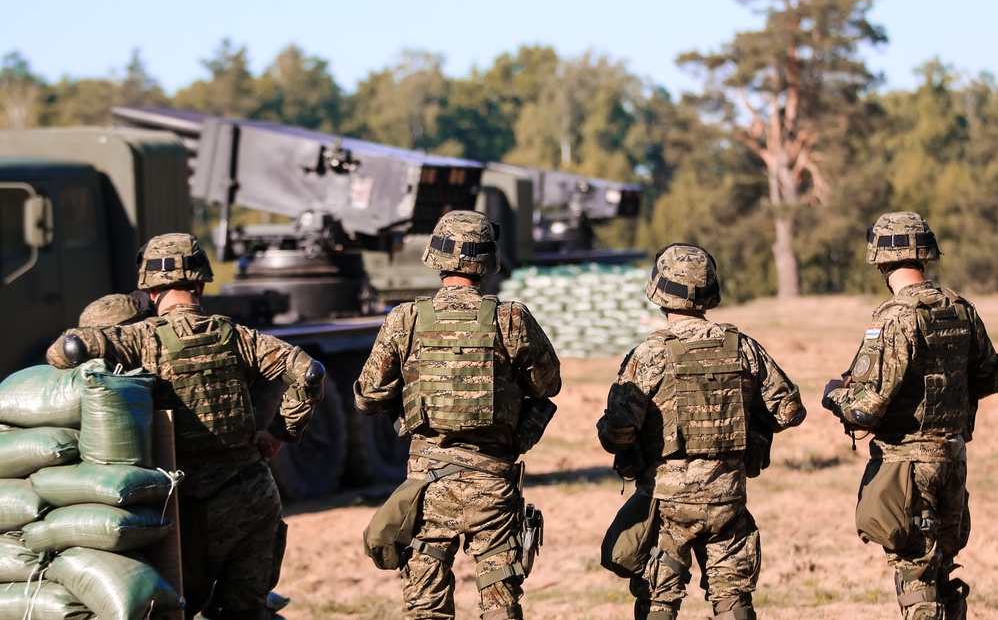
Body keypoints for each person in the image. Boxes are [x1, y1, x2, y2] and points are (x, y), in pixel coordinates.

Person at [46, 233, 325, 620]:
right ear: (201, 283)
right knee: (247, 612)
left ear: (150, 288)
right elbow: (310, 373)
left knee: (177, 610)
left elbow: (70, 348)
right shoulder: (240, 338)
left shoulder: (140, 339)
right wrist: (279, 434)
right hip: (252, 496)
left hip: (183, 506)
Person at [354, 210, 561, 620]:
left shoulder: (405, 319)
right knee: (500, 604)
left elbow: (367, 396)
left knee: (425, 608)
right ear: (488, 261)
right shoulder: (511, 318)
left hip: (428, 486)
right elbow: (547, 386)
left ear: (436, 257)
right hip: (493, 483)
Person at [597, 243, 806, 620]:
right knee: (733, 600)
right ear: (710, 292)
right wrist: (752, 427)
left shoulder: (649, 354)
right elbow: (789, 409)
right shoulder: (743, 347)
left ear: (658, 291)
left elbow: (617, 430)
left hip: (667, 505)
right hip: (728, 499)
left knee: (659, 600)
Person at [822, 212, 998, 620]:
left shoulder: (894, 319)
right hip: (953, 457)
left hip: (907, 467)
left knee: (917, 576)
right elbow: (990, 376)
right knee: (944, 569)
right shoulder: (961, 309)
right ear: (924, 256)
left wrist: (834, 396)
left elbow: (865, 409)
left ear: (882, 262)